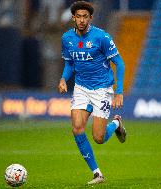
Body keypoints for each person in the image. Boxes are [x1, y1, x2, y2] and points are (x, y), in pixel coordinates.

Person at [58, 1, 126, 184]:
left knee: (99, 138)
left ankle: (116, 123)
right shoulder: (67, 38)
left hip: (102, 89)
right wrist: (64, 78)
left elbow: (119, 63)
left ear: (90, 18)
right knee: (77, 128)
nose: (81, 20)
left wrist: (118, 91)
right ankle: (97, 173)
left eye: (85, 16)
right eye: (78, 16)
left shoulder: (101, 37)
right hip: (81, 88)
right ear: (73, 17)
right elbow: (70, 63)